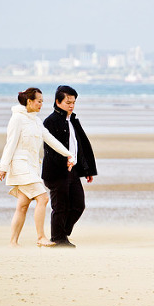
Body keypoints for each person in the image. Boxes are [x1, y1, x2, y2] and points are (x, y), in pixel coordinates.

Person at [0, 87, 74, 247]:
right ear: (29, 101)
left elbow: (50, 139)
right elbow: (10, 144)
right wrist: (3, 166)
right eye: (38, 101)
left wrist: (68, 154)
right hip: (20, 167)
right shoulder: (17, 119)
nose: (41, 104)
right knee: (43, 198)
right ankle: (40, 237)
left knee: (23, 206)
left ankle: (13, 242)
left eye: (42, 101)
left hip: (32, 168)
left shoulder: (36, 121)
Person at [42, 85, 97, 248]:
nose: (71, 105)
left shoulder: (72, 120)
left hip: (73, 170)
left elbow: (81, 146)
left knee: (78, 205)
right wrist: (63, 163)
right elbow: (49, 149)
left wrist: (87, 169)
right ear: (58, 102)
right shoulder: (50, 122)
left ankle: (62, 234)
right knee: (60, 207)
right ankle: (58, 239)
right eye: (68, 102)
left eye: (73, 102)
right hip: (56, 170)